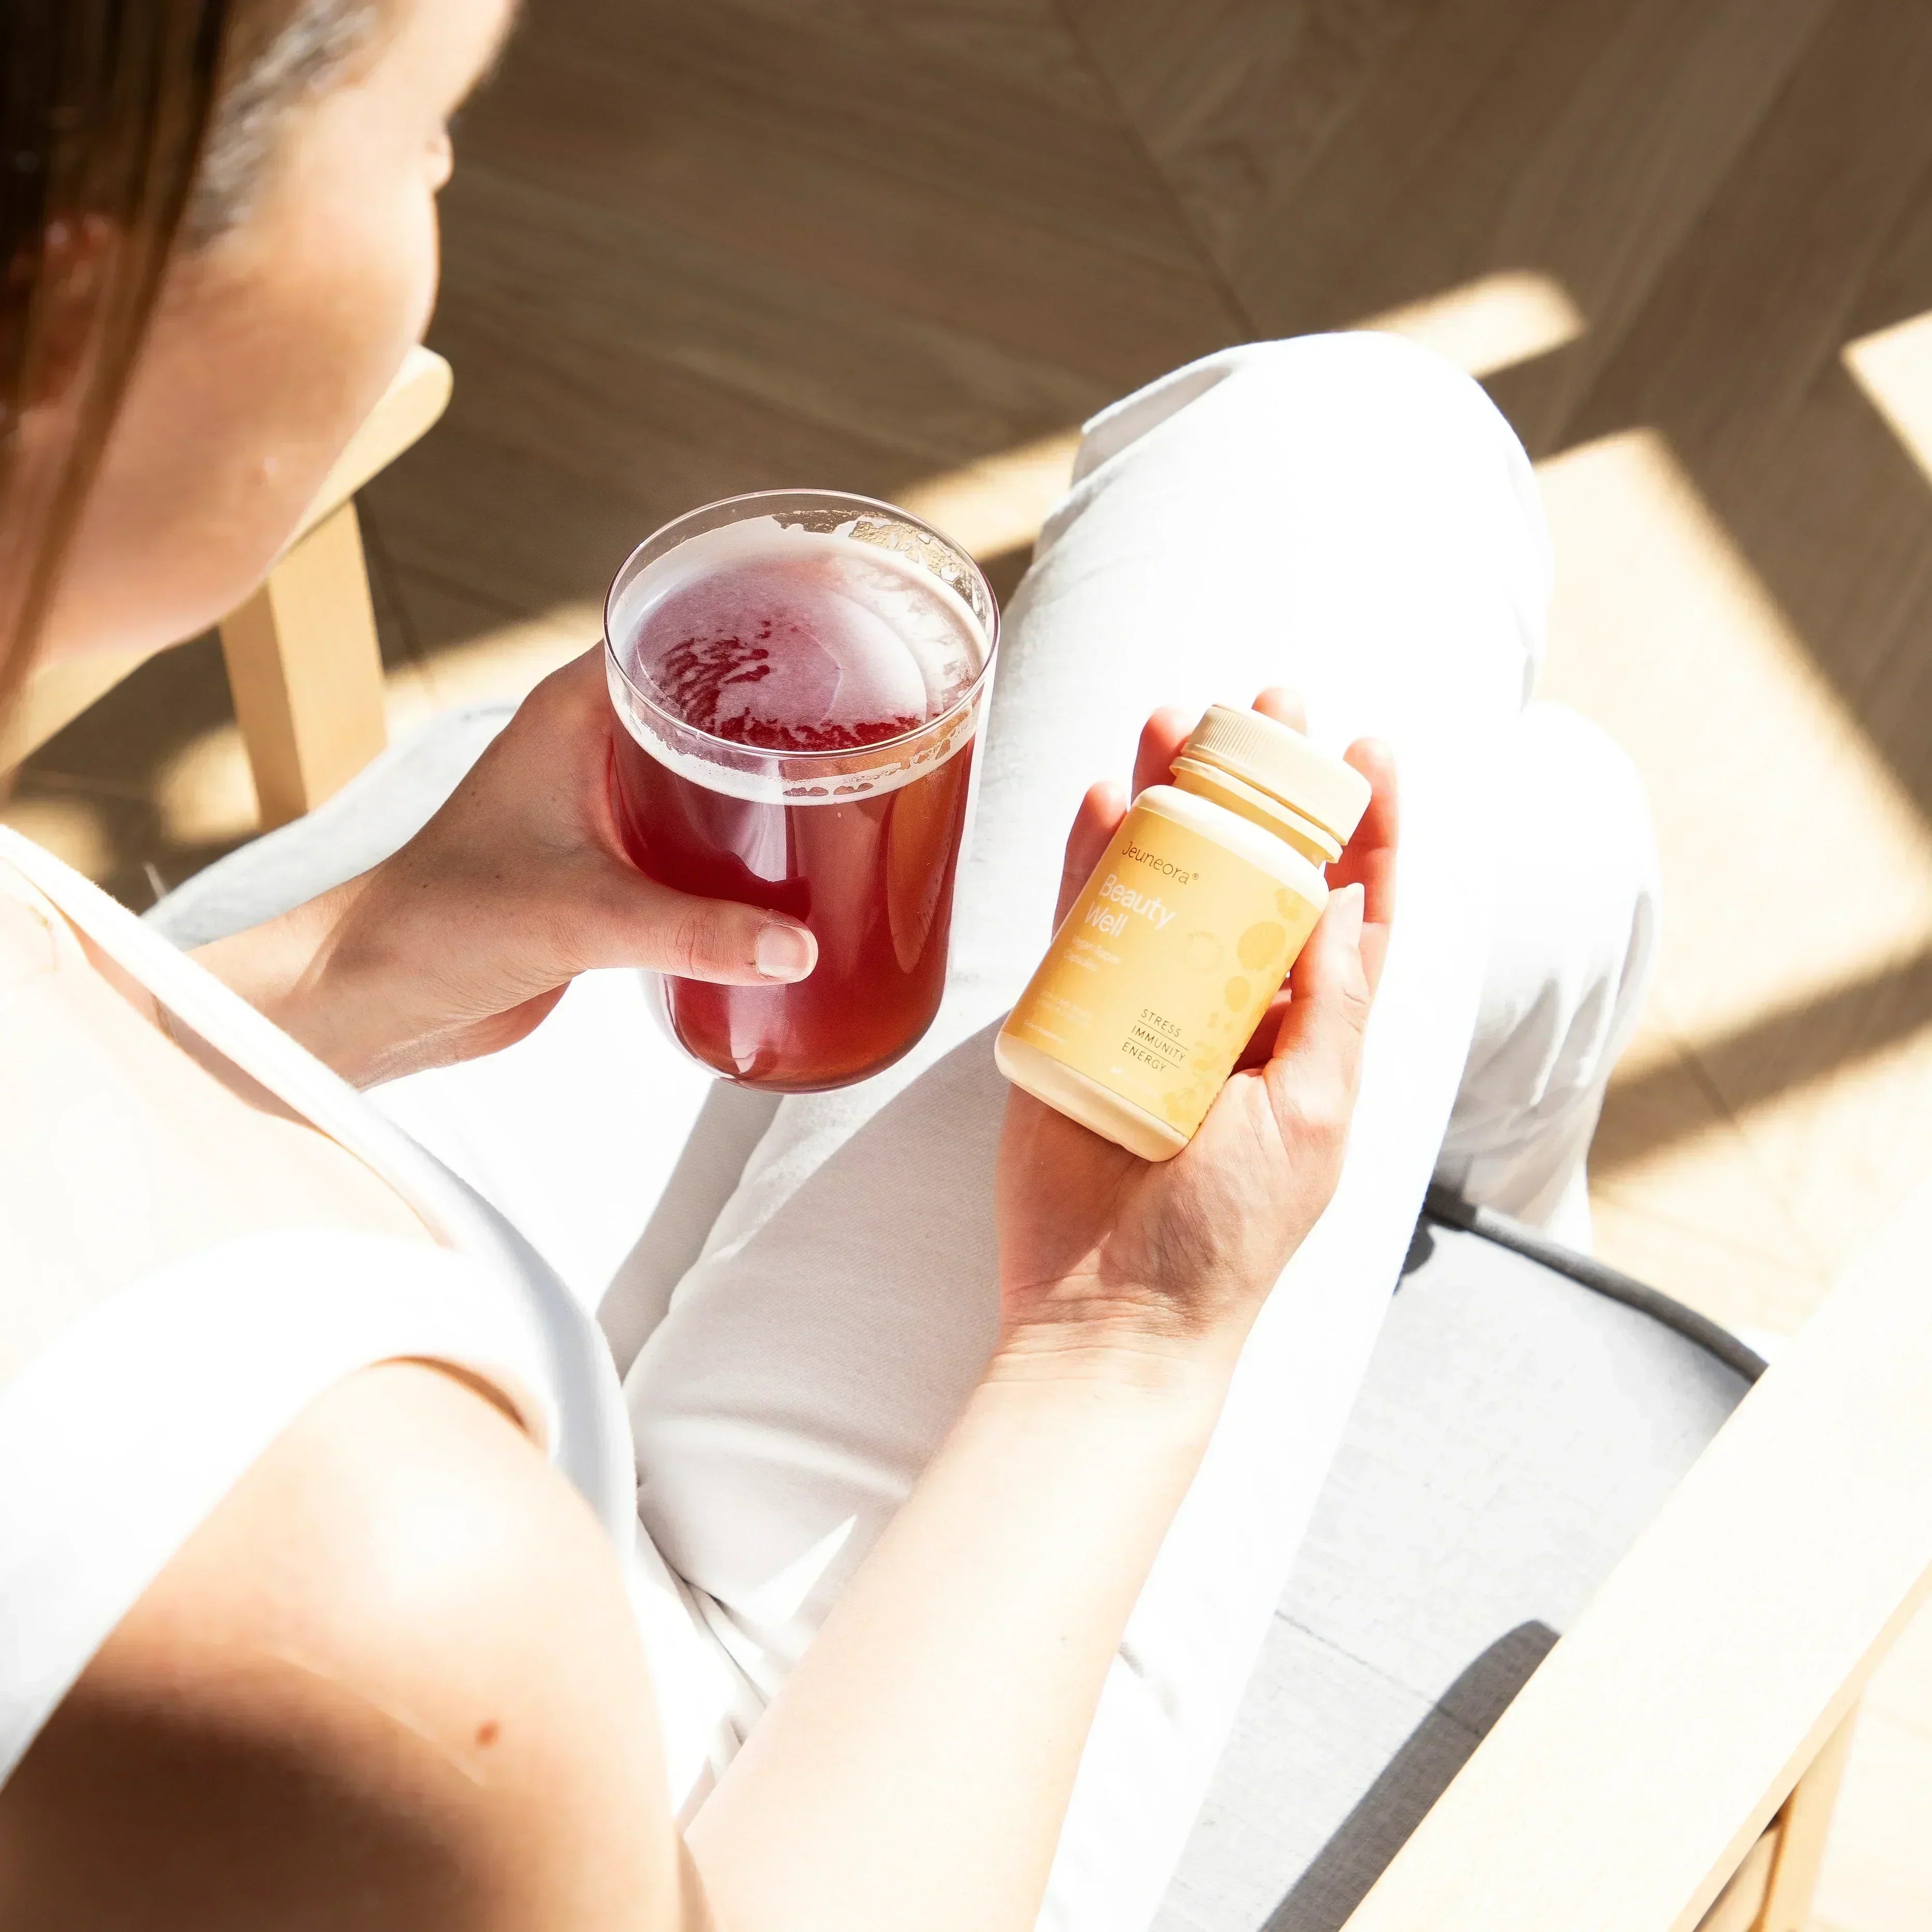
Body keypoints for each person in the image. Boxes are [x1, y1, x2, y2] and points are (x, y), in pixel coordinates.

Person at [0, 0, 1660, 1925]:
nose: (448, 177)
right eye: (430, 128)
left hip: (302, 1342)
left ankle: (1487, 1129)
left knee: (1525, 811)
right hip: (693, 1785)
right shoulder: (363, 1628)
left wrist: (362, 952)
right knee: (1362, 452)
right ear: (71, 301)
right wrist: (1124, 1335)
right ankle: (1490, 1224)